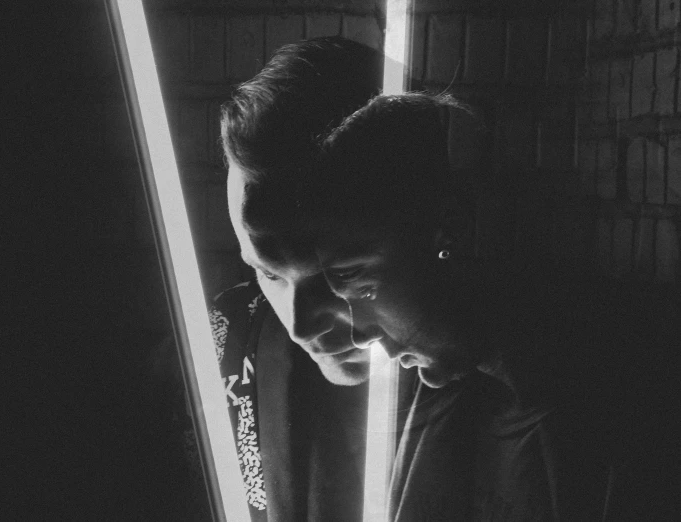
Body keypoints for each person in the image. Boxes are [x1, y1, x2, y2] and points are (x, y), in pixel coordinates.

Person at [225, 85, 681, 521]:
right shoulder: (458, 395)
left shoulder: (622, 400)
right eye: (268, 273)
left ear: (449, 230)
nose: (355, 329)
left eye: (354, 279)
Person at [210, 36, 384, 521]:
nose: (301, 324)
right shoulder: (224, 343)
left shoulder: (512, 382)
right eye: (268, 273)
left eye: (335, 273)